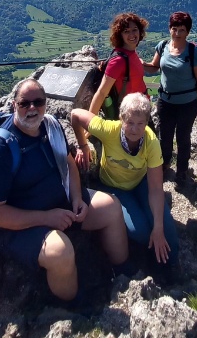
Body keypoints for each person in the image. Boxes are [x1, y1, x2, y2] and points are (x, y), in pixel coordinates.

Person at [0, 78, 130, 304]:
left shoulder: (50, 126)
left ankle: (124, 275)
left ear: (46, 104)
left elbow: (69, 163)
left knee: (111, 207)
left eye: (38, 102)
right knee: (61, 252)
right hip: (18, 225)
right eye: (24, 103)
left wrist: (78, 197)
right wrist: (46, 218)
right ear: (14, 105)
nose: (32, 108)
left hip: (59, 203)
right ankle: (74, 307)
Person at [71, 93, 178, 275]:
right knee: (141, 231)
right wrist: (83, 145)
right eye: (129, 123)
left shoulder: (151, 143)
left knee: (168, 236)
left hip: (140, 183)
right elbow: (75, 114)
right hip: (114, 187)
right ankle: (146, 258)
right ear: (121, 119)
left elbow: (155, 188)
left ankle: (168, 268)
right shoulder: (108, 130)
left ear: (146, 123)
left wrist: (159, 229)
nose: (134, 129)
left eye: (140, 124)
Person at [147, 11, 197, 187]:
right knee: (164, 137)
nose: (177, 33)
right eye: (174, 29)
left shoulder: (192, 51)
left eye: (182, 30)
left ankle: (182, 171)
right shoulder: (163, 46)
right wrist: (132, 60)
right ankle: (164, 166)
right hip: (165, 102)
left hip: (187, 104)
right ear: (169, 29)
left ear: (187, 31)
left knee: (183, 138)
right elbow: (153, 68)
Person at [89, 12, 150, 118]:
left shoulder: (131, 53)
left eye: (134, 29)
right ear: (120, 35)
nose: (132, 35)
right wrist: (89, 122)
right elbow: (102, 92)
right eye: (126, 31)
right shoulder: (118, 61)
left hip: (140, 109)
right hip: (130, 115)